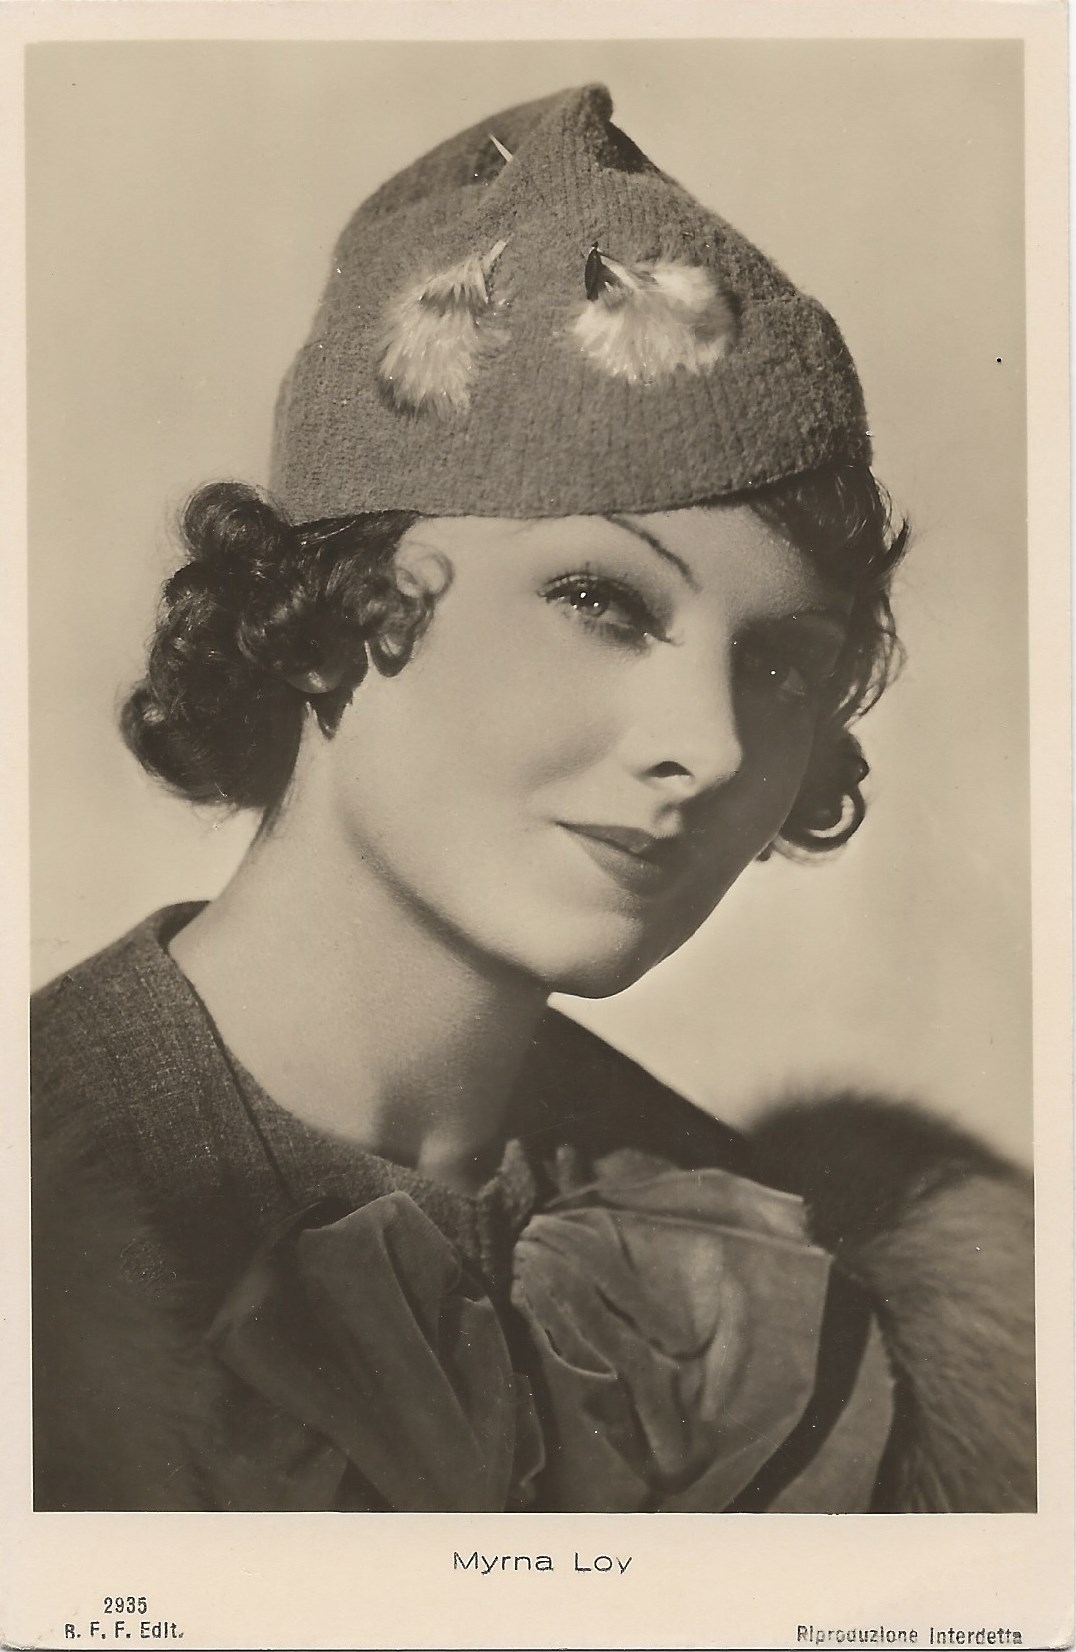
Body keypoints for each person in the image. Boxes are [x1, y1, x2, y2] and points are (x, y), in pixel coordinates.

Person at [31, 84, 1034, 1514]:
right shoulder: (42, 1203)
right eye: (599, 600)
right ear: (330, 611)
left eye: (778, 666)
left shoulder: (777, 1268)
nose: (712, 746)